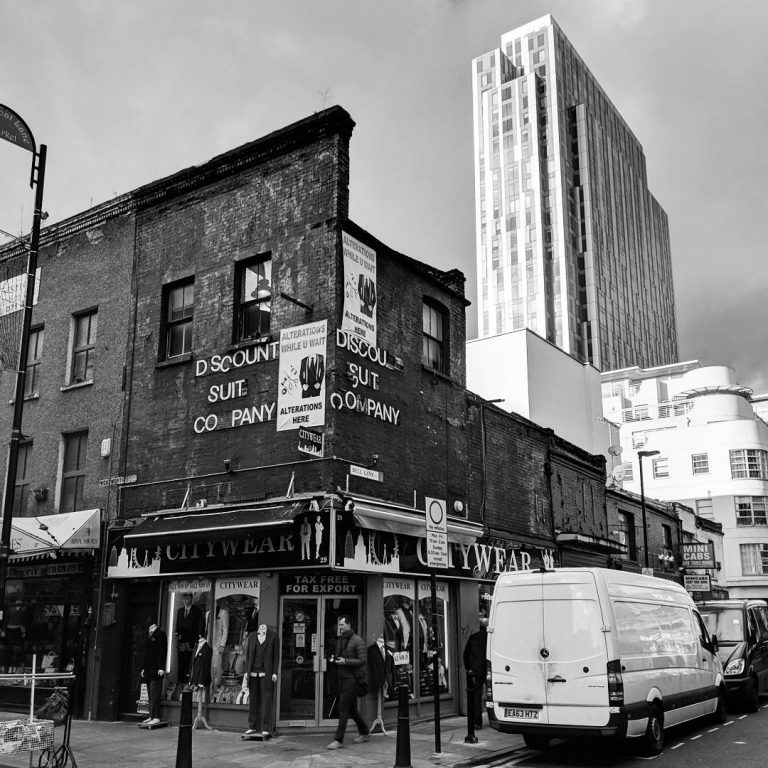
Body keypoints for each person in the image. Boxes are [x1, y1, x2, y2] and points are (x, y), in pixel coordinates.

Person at [327, 615, 369, 750]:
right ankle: (365, 732)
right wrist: (334, 659)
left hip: (351, 679)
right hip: (341, 677)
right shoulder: (340, 640)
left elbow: (362, 660)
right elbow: (341, 655)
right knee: (350, 708)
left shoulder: (358, 640)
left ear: (349, 624)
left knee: (343, 707)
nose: (340, 627)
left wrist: (345, 662)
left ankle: (338, 739)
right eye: (339, 625)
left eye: (342, 625)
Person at [241, 623, 278, 739]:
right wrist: (246, 671)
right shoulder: (251, 637)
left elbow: (276, 656)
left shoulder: (273, 636)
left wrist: (274, 672)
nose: (262, 628)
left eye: (264, 627)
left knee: (266, 700)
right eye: (260, 627)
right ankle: (252, 726)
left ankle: (266, 728)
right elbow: (248, 655)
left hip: (265, 673)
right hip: (252, 673)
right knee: (253, 700)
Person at [463, 617, 488, 730]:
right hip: (489, 669)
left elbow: (466, 655)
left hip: (476, 670)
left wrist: (469, 668)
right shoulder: (491, 638)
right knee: (493, 695)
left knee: (476, 697)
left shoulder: (473, 638)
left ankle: (477, 723)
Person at [140, 622, 167, 726]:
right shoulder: (149, 634)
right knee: (150, 694)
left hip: (156, 669)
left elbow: (162, 651)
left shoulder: (160, 634)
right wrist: (144, 668)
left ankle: (156, 716)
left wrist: (161, 667)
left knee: (155, 693)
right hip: (149, 669)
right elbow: (146, 653)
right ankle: (151, 715)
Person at [176, 593, 205, 684]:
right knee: (181, 662)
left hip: (192, 641)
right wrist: (176, 633)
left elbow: (200, 627)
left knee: (190, 662)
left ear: (191, 599)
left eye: (187, 599)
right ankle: (181, 682)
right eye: (184, 599)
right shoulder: (180, 611)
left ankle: (189, 682)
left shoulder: (197, 611)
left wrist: (197, 640)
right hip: (181, 640)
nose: (185, 601)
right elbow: (178, 624)